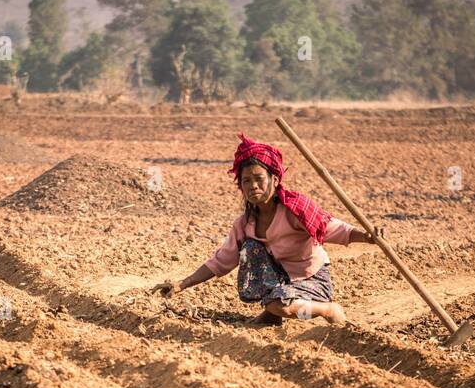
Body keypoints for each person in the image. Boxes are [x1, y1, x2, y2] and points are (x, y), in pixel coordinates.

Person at [155, 132, 382, 326]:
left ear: (274, 180)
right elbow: (221, 261)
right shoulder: (244, 224)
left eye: (258, 179)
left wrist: (367, 236)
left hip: (311, 279)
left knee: (283, 307)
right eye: (246, 181)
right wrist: (181, 284)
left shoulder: (296, 210)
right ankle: (273, 311)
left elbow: (334, 228)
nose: (252, 185)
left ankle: (326, 309)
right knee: (250, 248)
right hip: (281, 282)